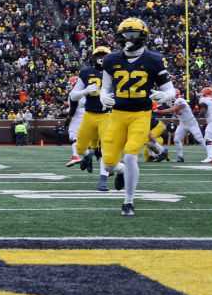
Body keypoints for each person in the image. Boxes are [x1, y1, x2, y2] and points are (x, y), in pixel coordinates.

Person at [99, 17, 175, 217]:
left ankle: (128, 202)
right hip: (117, 114)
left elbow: (171, 90)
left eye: (132, 34)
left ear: (142, 37)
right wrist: (103, 96)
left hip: (141, 115)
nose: (128, 39)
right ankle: (121, 171)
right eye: (125, 35)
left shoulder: (154, 60)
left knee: (131, 154)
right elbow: (104, 87)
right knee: (108, 163)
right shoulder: (110, 60)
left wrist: (165, 95)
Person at [67, 46, 111, 190]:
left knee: (105, 148)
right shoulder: (86, 72)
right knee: (79, 149)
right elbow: (73, 95)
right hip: (89, 115)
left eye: (105, 55)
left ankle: (103, 180)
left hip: (107, 115)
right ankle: (88, 155)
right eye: (99, 55)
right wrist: (85, 91)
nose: (102, 57)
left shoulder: (115, 73)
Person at [159, 95, 204, 163]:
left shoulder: (180, 100)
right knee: (176, 139)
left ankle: (210, 155)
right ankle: (180, 157)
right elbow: (178, 112)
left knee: (200, 139)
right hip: (183, 124)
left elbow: (175, 109)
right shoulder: (175, 104)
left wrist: (160, 111)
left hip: (191, 123)